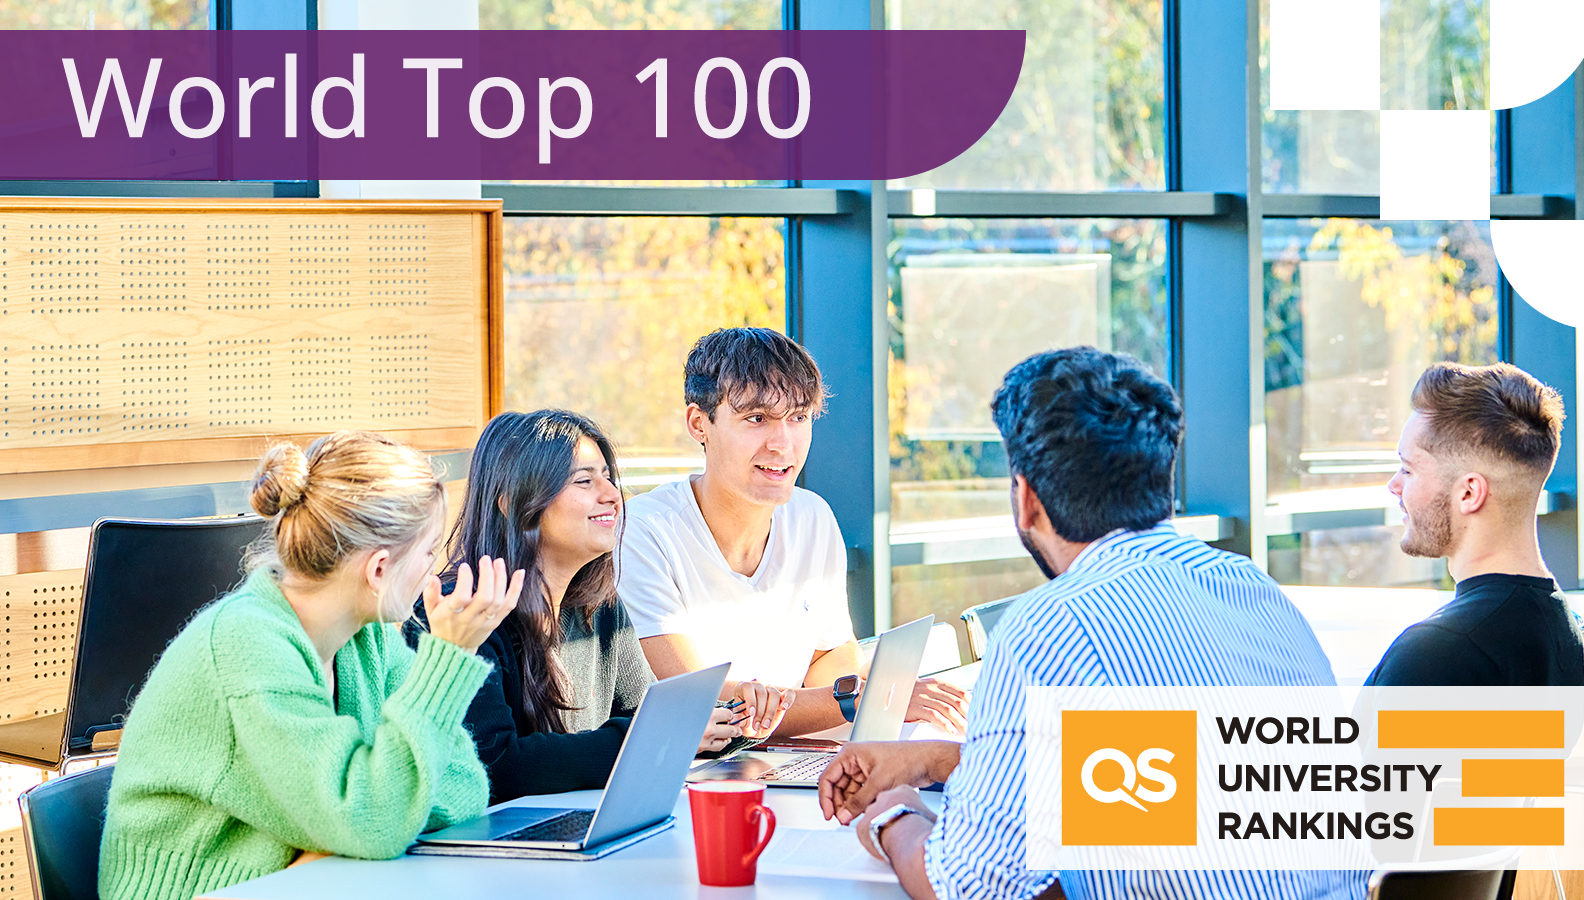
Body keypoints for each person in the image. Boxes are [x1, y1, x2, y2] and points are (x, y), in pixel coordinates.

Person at [815, 347, 1364, 900]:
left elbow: (972, 888)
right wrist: (939, 760)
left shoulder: (1051, 627)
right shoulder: (1251, 589)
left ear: (1026, 499)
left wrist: (893, 820)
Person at [99, 432, 524, 900]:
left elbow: (465, 789)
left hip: (309, 883)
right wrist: (448, 662)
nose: (434, 568)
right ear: (379, 569)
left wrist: (360, 826)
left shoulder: (368, 638)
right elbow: (377, 820)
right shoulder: (246, 645)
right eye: (429, 552)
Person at [404, 410, 790, 805]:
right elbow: (496, 766)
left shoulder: (600, 608)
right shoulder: (455, 614)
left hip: (579, 831)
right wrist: (659, 733)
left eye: (607, 477)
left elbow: (642, 720)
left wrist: (734, 721)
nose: (610, 494)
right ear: (514, 503)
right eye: (585, 481)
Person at [617, 327, 967, 737]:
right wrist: (865, 700)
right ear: (700, 424)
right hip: (698, 777)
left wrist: (885, 688)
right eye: (757, 419)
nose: (782, 444)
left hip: (785, 761)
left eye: (798, 417)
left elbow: (828, 658)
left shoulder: (811, 516)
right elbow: (702, 700)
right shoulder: (641, 531)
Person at [1368, 362, 1584, 686]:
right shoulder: (1565, 632)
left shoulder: (1434, 656)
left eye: (1408, 469)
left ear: (1469, 493)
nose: (1394, 485)